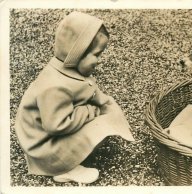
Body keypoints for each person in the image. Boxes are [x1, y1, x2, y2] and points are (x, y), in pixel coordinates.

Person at [15, 11, 135, 184]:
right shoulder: (54, 87)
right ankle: (63, 167)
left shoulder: (70, 70)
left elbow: (87, 91)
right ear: (77, 53)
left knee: (108, 109)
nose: (99, 60)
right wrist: (88, 111)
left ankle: (71, 155)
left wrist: (102, 105)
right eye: (97, 54)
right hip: (43, 145)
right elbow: (56, 125)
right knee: (99, 126)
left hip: (52, 131)